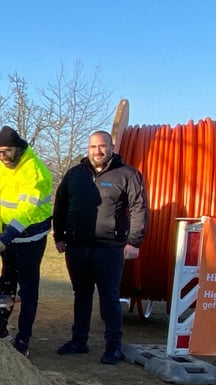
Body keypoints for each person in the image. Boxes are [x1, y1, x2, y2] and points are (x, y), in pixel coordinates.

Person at [53, 130, 148, 364]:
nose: (98, 151)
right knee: (81, 295)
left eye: (103, 146)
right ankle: (78, 341)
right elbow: (61, 204)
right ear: (88, 148)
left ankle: (114, 347)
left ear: (112, 147)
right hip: (77, 247)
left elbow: (139, 208)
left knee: (109, 298)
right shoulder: (75, 174)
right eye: (93, 147)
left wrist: (134, 241)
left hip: (110, 248)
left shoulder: (127, 174)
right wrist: (60, 235)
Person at [0, 126, 54, 357]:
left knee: (28, 290)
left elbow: (25, 210)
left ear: (18, 148)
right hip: (10, 236)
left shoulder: (34, 171)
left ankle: (23, 340)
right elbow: (6, 191)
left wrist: (4, 237)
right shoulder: (4, 166)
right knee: (6, 283)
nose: (2, 157)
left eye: (6, 152)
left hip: (30, 238)